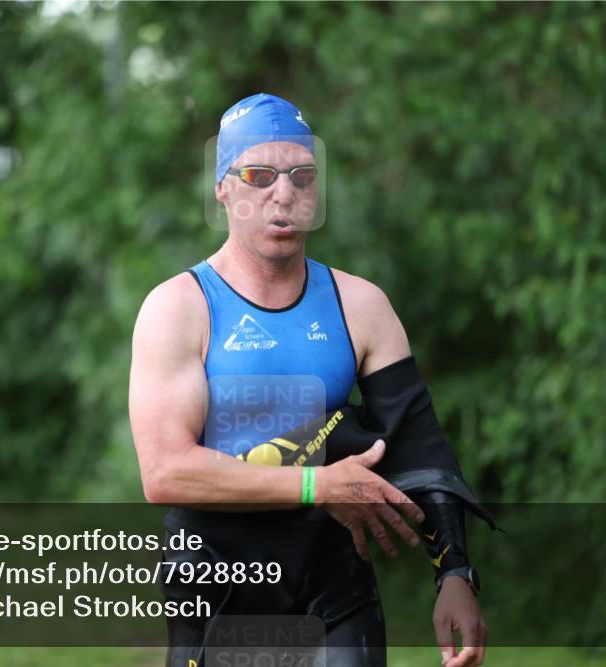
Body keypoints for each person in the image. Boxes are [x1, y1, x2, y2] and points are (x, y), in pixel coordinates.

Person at [129, 93, 489, 667]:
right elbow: (166, 473)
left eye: (301, 176)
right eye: (258, 175)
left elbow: (420, 445)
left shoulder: (360, 305)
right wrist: (316, 486)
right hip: (219, 585)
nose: (283, 193)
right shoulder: (179, 309)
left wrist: (455, 575)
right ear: (223, 188)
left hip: (334, 582)